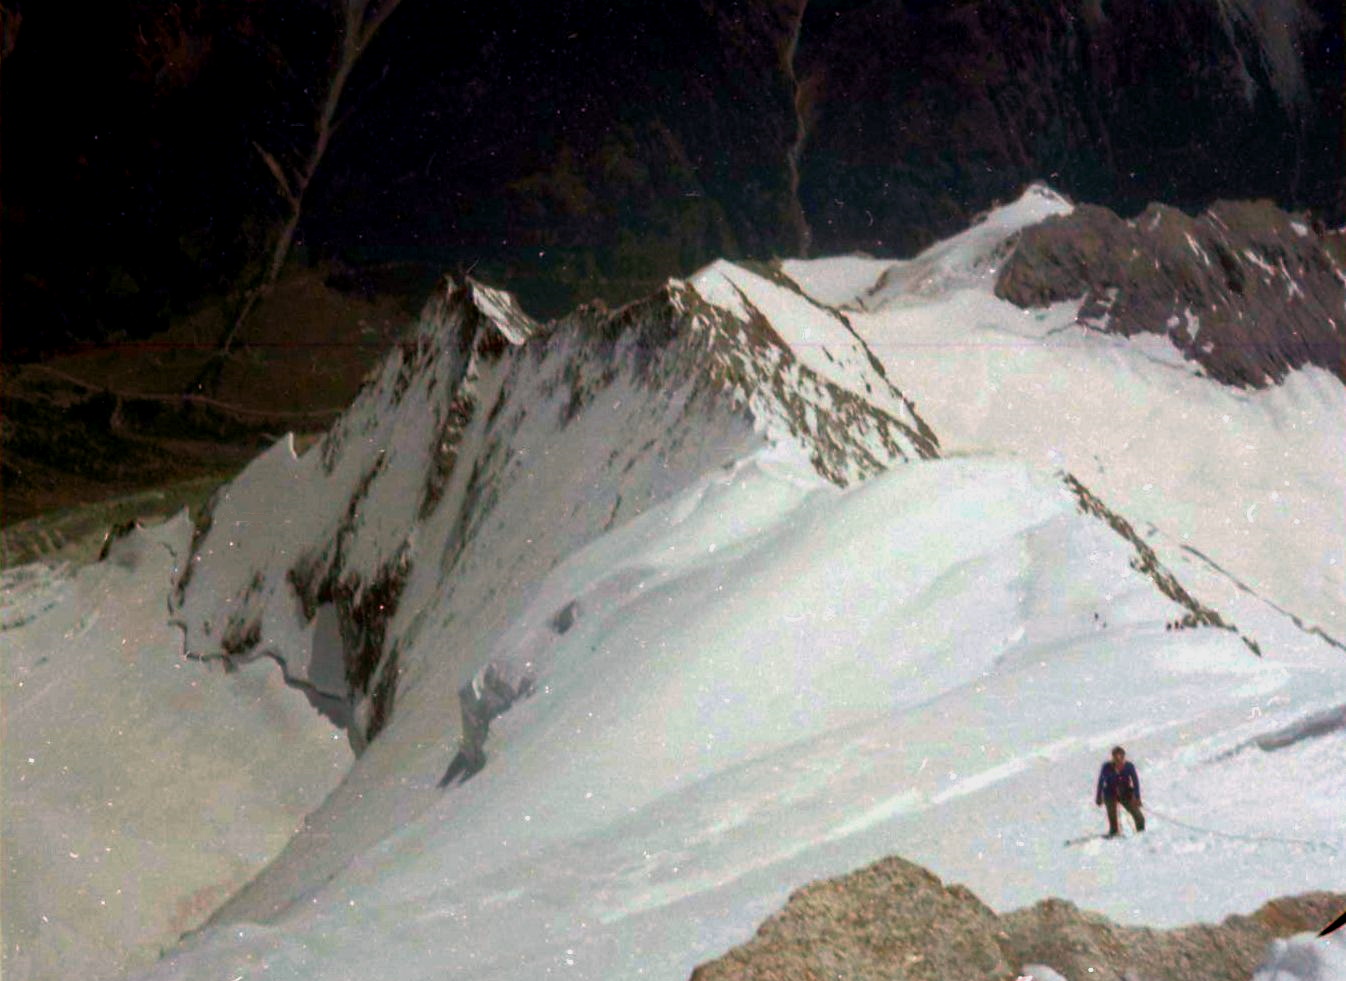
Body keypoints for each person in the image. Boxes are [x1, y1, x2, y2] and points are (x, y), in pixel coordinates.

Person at [1095, 745, 1144, 837]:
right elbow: (1101, 782)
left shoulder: (1129, 766)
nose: (1118, 760)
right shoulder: (1106, 767)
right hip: (1110, 794)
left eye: (1120, 757)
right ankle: (1114, 832)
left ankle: (1141, 835)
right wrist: (1099, 797)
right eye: (1116, 758)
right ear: (1112, 758)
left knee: (1139, 817)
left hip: (1125, 794)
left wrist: (1137, 797)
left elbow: (1135, 781)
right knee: (1112, 816)